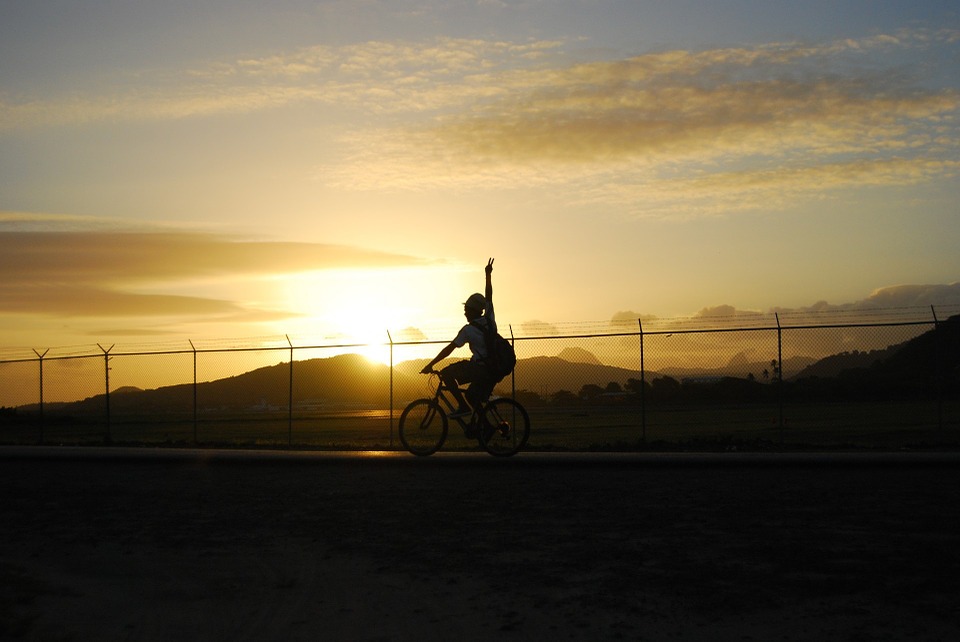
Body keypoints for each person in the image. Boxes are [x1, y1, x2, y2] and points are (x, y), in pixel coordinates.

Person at [421, 258, 497, 417]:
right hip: (493, 368)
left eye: (467, 309)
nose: (465, 312)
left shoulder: (468, 330)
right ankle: (486, 428)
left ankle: (462, 407)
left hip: (479, 368)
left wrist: (431, 364)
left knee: (447, 373)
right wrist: (488, 275)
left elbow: (449, 348)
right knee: (471, 396)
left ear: (474, 311)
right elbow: (489, 296)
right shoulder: (489, 319)